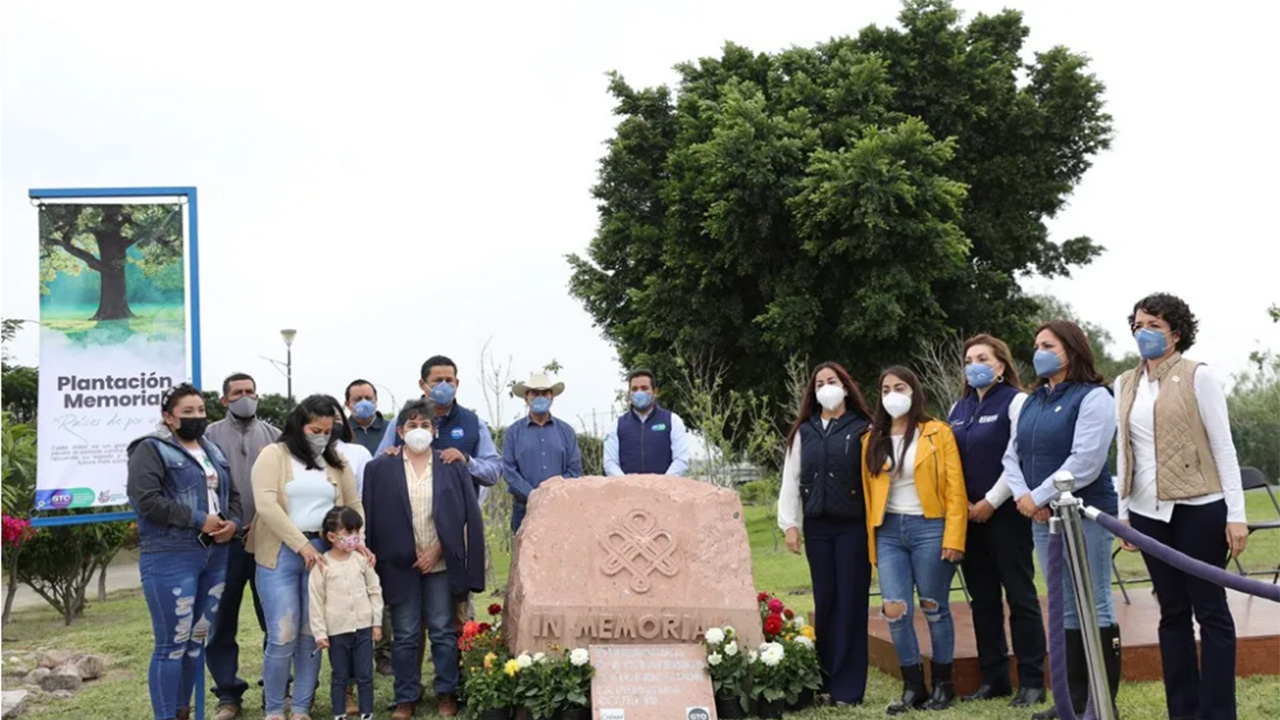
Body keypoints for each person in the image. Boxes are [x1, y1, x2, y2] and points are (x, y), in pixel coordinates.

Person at [1114, 293, 1246, 720]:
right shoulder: (1124, 383)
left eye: (1153, 324)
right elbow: (1124, 450)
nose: (1143, 332)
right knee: (1171, 612)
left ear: (1176, 332)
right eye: (1138, 324)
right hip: (1147, 513)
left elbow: (1223, 446)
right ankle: (1183, 712)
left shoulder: (1198, 376)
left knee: (1211, 611)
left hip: (1200, 508)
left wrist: (1236, 514)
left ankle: (1218, 712)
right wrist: (1122, 513)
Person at [1002, 320, 1121, 720]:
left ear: (1070, 350)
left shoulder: (1094, 397)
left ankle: (1102, 702)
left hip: (1084, 515)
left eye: (1047, 344)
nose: (1039, 351)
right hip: (1043, 519)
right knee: (1066, 608)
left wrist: (1038, 496)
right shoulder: (1031, 401)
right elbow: (1011, 456)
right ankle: (1072, 699)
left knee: (1096, 603)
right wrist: (1025, 498)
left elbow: (1085, 462)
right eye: (1036, 344)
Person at [363, 398, 485, 720]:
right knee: (404, 633)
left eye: (425, 425)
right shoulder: (380, 468)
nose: (419, 431)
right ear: (400, 431)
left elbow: (463, 515)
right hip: (400, 563)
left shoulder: (450, 465)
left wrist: (439, 549)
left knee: (443, 630)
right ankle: (406, 695)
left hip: (441, 563)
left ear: (435, 430)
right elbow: (375, 519)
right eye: (412, 426)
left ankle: (446, 692)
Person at [127, 383, 241, 720]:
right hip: (170, 554)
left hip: (216, 553)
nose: (196, 418)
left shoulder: (212, 449)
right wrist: (198, 520)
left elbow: (230, 493)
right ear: (168, 416)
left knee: (195, 641)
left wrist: (232, 523)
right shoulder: (150, 448)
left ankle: (182, 712)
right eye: (187, 412)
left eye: (201, 411)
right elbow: (145, 501)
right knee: (171, 644)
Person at [250, 395, 367, 720]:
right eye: (316, 429)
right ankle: (274, 708)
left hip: (325, 552)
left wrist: (358, 541)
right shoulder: (274, 455)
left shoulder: (337, 463)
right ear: (299, 425)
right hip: (281, 553)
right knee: (283, 633)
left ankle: (301, 707)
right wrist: (301, 545)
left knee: (311, 634)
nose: (322, 436)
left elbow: (354, 507)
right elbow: (266, 505)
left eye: (328, 431)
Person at [947, 336, 1047, 708]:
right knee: (983, 600)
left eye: (983, 358)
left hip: (1007, 515)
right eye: (969, 358)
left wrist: (991, 501)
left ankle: (1033, 680)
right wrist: (965, 506)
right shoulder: (958, 407)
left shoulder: (1018, 402)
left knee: (1020, 597)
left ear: (1001, 365)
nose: (974, 364)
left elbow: (1017, 455)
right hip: (969, 519)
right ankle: (995, 678)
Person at [862, 367, 968, 714]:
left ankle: (943, 685)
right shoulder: (871, 439)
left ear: (914, 391)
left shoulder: (938, 433)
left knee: (934, 608)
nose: (893, 393)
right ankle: (913, 686)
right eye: (886, 388)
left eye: (900, 387)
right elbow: (867, 496)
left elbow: (955, 489)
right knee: (894, 609)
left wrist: (954, 537)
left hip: (930, 527)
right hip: (889, 530)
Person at [776, 362, 874, 706]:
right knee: (827, 601)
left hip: (852, 527)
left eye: (832, 381)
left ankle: (848, 690)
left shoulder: (864, 428)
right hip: (818, 528)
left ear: (846, 387)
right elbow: (791, 477)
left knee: (851, 602)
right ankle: (825, 682)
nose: (826, 387)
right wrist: (790, 523)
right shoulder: (804, 431)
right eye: (820, 383)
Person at [204, 372, 280, 720]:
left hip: (268, 540)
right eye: (237, 392)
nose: (245, 397)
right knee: (222, 624)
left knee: (275, 620)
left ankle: (277, 690)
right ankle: (228, 695)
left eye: (250, 391)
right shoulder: (208, 437)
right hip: (225, 543)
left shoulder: (276, 437)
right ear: (225, 399)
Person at [375, 356, 501, 504]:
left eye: (449, 380)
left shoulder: (474, 423)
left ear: (457, 383)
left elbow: (493, 472)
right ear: (422, 384)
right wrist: (387, 459)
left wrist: (467, 462)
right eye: (437, 380)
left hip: (457, 516)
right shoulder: (401, 422)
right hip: (408, 515)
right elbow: (376, 471)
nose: (444, 386)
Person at [309, 506, 384, 720]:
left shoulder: (362, 561)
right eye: (348, 533)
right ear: (332, 536)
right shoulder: (322, 565)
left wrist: (376, 623)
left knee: (365, 674)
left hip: (362, 628)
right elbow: (316, 600)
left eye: (356, 533)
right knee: (340, 675)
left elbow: (374, 590)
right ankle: (339, 713)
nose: (353, 538)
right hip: (337, 630)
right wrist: (320, 633)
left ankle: (367, 713)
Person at [503, 372, 583, 533]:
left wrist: (552, 492)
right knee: (524, 556)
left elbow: (574, 470)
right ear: (526, 398)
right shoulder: (513, 432)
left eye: (544, 393)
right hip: (524, 508)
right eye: (535, 393)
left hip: (560, 506)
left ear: (551, 397)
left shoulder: (566, 432)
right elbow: (509, 471)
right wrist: (533, 495)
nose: (540, 397)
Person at [603, 369, 691, 476]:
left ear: (655, 392)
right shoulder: (616, 425)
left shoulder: (672, 421)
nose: (639, 392)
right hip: (628, 490)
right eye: (634, 389)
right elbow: (610, 463)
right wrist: (626, 484)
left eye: (644, 388)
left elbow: (681, 460)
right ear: (629, 394)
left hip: (664, 489)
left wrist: (661, 484)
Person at [345, 380, 388, 456]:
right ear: (348, 404)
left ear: (376, 401)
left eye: (368, 398)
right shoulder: (342, 432)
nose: (364, 403)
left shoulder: (391, 429)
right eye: (357, 399)